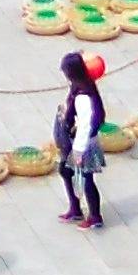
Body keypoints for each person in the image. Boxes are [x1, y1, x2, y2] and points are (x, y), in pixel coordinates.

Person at [52, 51, 110, 232]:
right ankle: (75, 208)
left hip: (84, 143)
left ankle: (94, 216)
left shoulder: (83, 95)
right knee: (66, 170)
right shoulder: (81, 86)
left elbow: (85, 124)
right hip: (78, 139)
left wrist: (77, 151)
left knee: (86, 178)